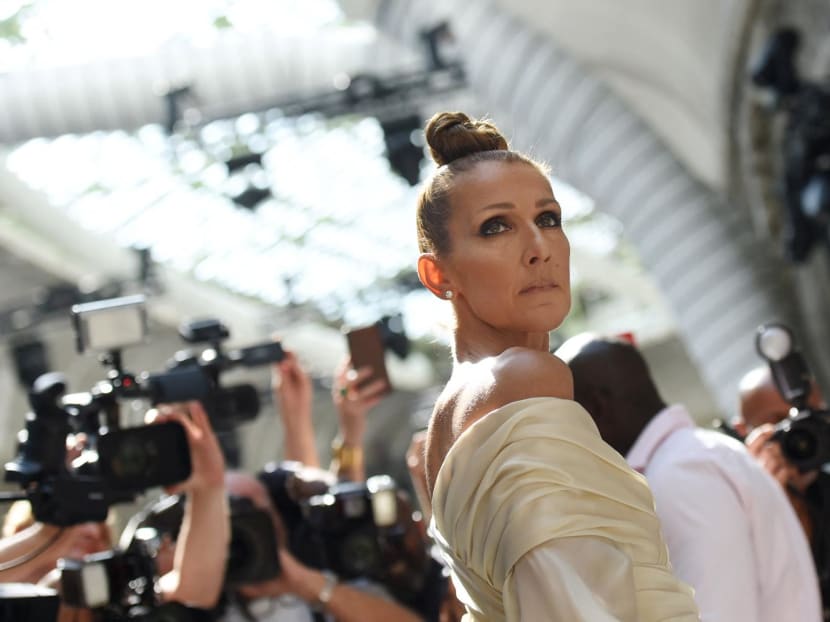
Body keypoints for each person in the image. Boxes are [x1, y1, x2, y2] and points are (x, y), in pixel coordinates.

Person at [415, 111, 699, 621]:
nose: (540, 248)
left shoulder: (445, 423)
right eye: (496, 227)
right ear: (438, 275)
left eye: (548, 219)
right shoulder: (523, 379)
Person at [558, 333, 822, 621]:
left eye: (564, 421)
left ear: (596, 407)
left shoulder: (680, 474)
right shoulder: (692, 456)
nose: (562, 440)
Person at [736, 365, 830, 620]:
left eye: (806, 418)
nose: (798, 436)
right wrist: (763, 501)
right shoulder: (731, 512)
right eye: (778, 423)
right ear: (744, 431)